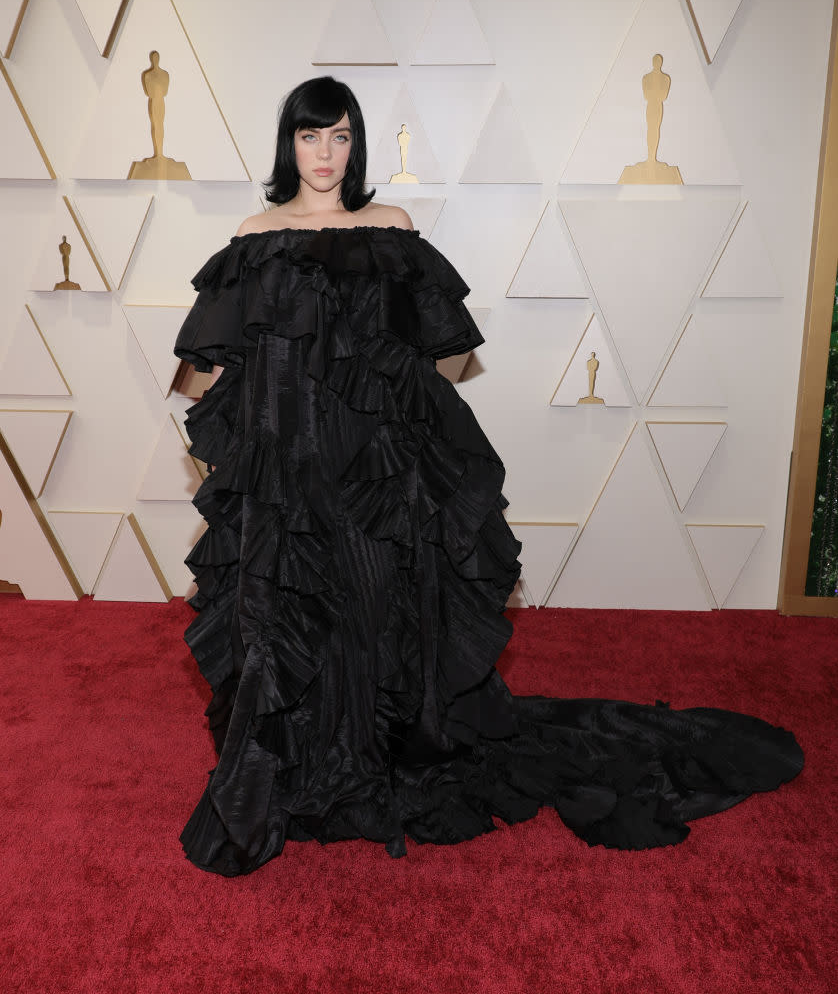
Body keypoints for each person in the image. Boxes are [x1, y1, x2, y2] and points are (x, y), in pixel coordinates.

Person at [174, 76, 803, 877]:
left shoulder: (393, 228)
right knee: (289, 624)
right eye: (309, 137)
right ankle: (295, 766)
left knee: (377, 614)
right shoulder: (254, 235)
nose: (325, 154)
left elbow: (432, 358)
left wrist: (404, 451)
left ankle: (369, 758)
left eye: (339, 137)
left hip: (374, 470)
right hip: (294, 471)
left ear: (357, 145)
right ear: (287, 144)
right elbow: (237, 362)